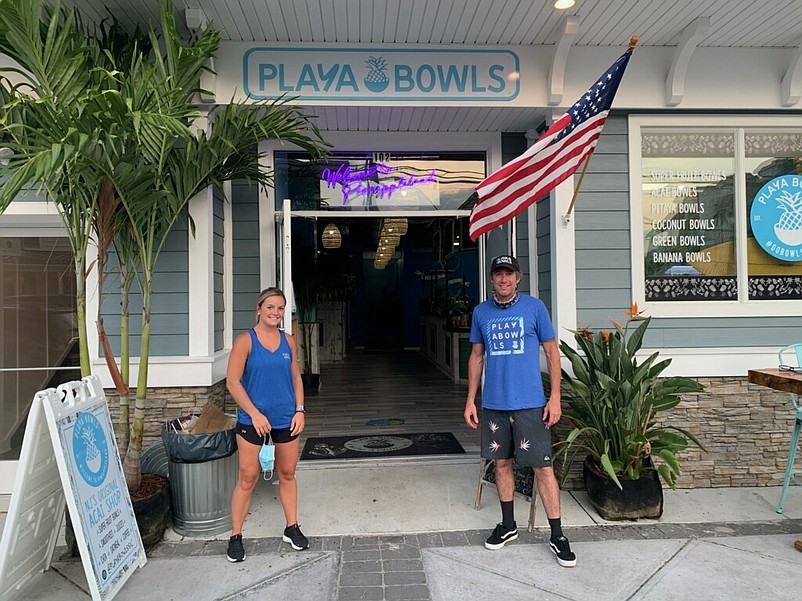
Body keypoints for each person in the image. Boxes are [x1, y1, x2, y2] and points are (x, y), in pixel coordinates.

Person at [464, 255, 576, 567]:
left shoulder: (535, 308)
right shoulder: (480, 313)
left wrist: (555, 397)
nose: (503, 280)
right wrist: (470, 399)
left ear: (518, 278)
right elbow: (476, 356)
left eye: (508, 274)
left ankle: (557, 534)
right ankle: (508, 524)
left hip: (531, 405)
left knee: (543, 468)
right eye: (498, 274)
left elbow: (552, 352)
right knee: (501, 464)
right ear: (491, 279)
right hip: (495, 405)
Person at [226, 287, 308, 562]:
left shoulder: (289, 341)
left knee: (287, 473)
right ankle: (236, 536)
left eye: (281, 308)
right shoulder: (245, 341)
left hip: (286, 418)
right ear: (259, 309)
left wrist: (300, 410)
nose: (276, 312)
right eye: (270, 307)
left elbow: (296, 378)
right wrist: (255, 413)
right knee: (248, 477)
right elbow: (233, 383)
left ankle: (291, 527)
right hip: (253, 420)